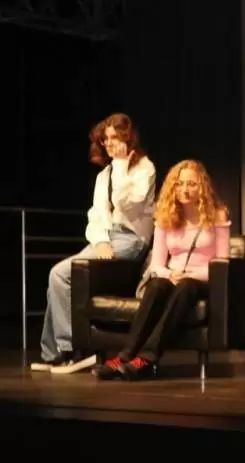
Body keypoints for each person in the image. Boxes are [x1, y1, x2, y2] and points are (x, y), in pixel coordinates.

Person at [32, 113, 155, 374]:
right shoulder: (104, 176)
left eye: (114, 138)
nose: (109, 143)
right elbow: (97, 215)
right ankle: (54, 354)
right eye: (105, 139)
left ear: (128, 139)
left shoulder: (145, 168)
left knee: (63, 274)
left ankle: (73, 351)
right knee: (58, 275)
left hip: (131, 240)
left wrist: (121, 165)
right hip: (107, 238)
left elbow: (128, 203)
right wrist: (100, 242)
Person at [93, 160, 230, 380]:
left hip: (203, 280)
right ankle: (126, 355)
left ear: (202, 187)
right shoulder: (166, 216)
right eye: (180, 184)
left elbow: (222, 263)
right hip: (173, 277)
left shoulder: (217, 215)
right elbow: (157, 265)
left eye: (192, 184)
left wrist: (190, 275)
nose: (185, 189)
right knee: (157, 285)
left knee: (186, 286)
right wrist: (170, 274)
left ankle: (147, 358)